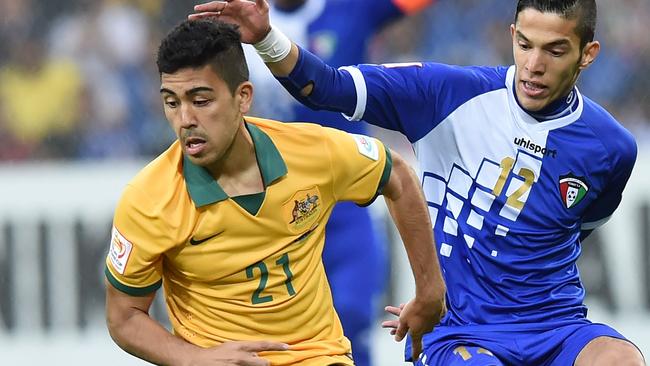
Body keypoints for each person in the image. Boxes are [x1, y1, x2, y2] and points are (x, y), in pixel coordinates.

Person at [190, 0, 645, 365]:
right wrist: (267, 39)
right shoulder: (444, 93)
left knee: (622, 358)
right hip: (464, 330)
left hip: (557, 325)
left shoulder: (612, 147)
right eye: (525, 45)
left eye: (555, 50)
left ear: (589, 54)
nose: (533, 65)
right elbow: (326, 87)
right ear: (511, 36)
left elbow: (578, 228)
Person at [104, 19, 445, 366]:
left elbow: (397, 174)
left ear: (243, 97)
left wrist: (431, 291)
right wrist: (195, 359)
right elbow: (124, 316)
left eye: (201, 100)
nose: (185, 119)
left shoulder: (310, 152)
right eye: (171, 103)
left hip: (319, 357)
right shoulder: (149, 199)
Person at [242, 1, 433, 365]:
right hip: (273, 203)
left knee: (353, 314)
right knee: (276, 333)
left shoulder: (351, 8)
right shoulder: (239, 21)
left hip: (345, 196)